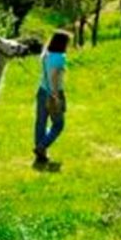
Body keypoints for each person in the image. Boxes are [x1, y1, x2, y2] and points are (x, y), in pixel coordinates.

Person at [34, 31, 70, 165]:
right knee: (58, 124)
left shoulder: (45, 55)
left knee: (40, 122)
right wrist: (55, 95)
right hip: (54, 92)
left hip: (41, 90)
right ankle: (42, 147)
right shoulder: (60, 57)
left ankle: (40, 155)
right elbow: (54, 75)